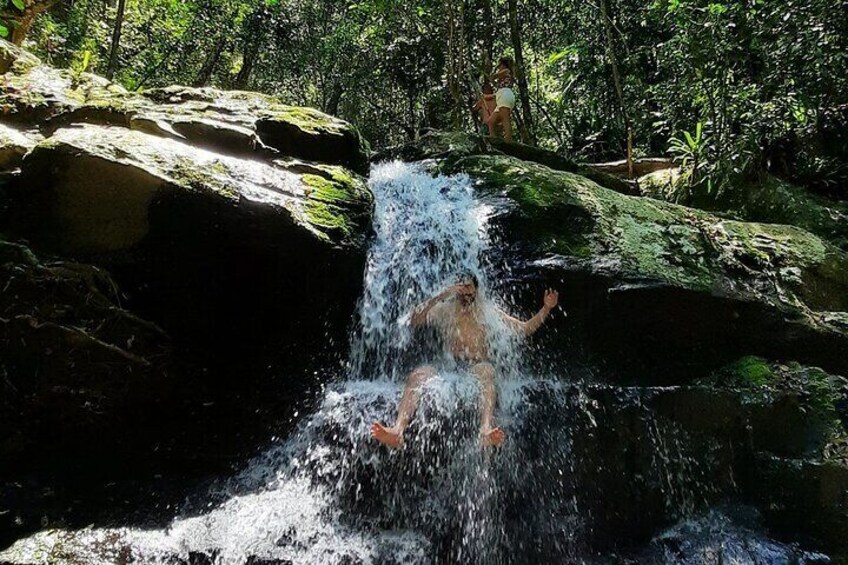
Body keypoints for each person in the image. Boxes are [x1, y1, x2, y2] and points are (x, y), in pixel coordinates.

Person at [370, 274, 559, 449]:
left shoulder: (486, 311)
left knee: (487, 371)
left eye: (469, 287)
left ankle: (485, 430)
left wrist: (546, 308)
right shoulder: (445, 309)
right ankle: (397, 430)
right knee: (417, 375)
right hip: (447, 367)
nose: (465, 291)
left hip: (476, 367)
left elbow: (523, 329)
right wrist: (441, 295)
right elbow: (413, 320)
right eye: (461, 287)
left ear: (476, 290)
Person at [482, 57, 516, 142]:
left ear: (503, 64)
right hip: (500, 96)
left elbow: (493, 76)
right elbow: (493, 80)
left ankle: (508, 140)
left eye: (499, 64)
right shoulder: (503, 74)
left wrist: (494, 69)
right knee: (491, 122)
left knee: (505, 118)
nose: (498, 66)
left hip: (505, 94)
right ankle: (494, 141)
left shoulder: (507, 71)